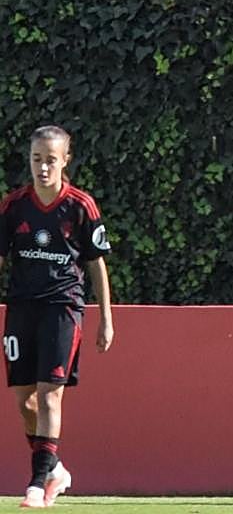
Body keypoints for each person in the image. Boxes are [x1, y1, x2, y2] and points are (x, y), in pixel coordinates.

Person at [0, 125, 113, 509]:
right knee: (24, 402)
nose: (43, 167)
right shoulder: (14, 205)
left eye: (51, 160)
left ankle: (35, 483)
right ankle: (55, 469)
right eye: (36, 159)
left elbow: (96, 264)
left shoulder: (80, 205)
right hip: (20, 308)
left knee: (50, 396)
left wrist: (106, 318)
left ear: (65, 161)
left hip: (63, 308)